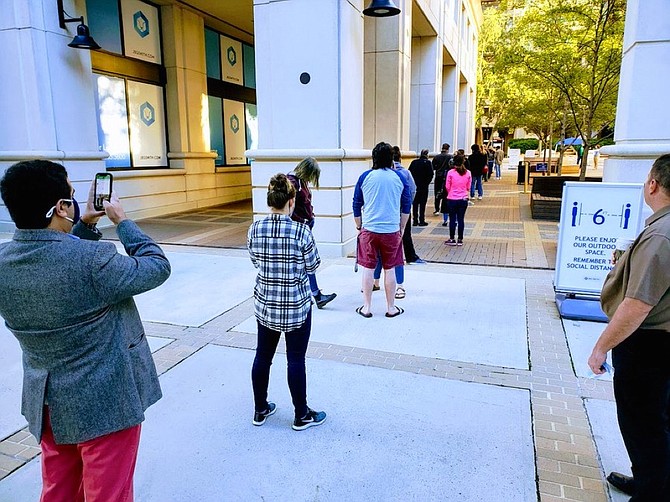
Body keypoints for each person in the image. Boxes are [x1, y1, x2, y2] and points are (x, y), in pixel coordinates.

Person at [0, 160, 171, 502]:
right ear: (62, 208)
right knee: (108, 495)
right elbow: (156, 266)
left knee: (58, 491)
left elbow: (53, 262)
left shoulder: (4, 262)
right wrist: (122, 221)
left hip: (47, 403)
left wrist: (84, 224)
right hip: (105, 404)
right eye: (72, 197)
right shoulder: (94, 260)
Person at [587, 154, 670, 500]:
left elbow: (637, 305)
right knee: (657, 422)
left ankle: (651, 492)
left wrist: (601, 346)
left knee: (643, 426)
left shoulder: (661, 237)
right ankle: (651, 481)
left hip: (648, 347)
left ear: (652, 184)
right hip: (659, 346)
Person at [247, 173, 326, 431]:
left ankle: (260, 409)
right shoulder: (301, 231)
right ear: (291, 201)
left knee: (263, 357)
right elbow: (313, 265)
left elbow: (256, 262)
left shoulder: (255, 228)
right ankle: (300, 415)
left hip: (266, 304)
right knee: (295, 360)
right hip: (296, 305)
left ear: (270, 199)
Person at [352, 142, 412, 318]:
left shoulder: (365, 177)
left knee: (368, 268)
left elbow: (356, 204)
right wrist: (401, 228)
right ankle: (391, 308)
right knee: (390, 269)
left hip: (369, 229)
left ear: (374, 158)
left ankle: (367, 307)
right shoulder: (399, 178)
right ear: (391, 158)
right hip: (391, 230)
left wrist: (359, 225)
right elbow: (406, 205)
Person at [286, 157, 336, 309]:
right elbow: (287, 206)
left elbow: (305, 203)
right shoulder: (293, 183)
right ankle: (314, 295)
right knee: (304, 263)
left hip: (303, 227)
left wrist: (310, 217)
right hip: (298, 229)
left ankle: (314, 294)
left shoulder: (301, 182)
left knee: (304, 263)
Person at [393, 146, 426, 267]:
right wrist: (408, 203)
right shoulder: (405, 173)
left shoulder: (386, 173)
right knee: (405, 233)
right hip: (403, 208)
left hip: (391, 209)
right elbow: (413, 189)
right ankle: (410, 256)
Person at [444, 154, 472, 246]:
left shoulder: (450, 172)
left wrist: (451, 192)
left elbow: (447, 186)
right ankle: (460, 239)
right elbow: (468, 187)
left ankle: (452, 238)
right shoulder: (468, 173)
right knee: (461, 219)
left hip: (452, 198)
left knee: (452, 219)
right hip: (463, 198)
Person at [408, 149, 434, 226]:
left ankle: (415, 220)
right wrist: (427, 183)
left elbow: (410, 173)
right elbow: (431, 175)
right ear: (427, 155)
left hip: (415, 185)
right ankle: (421, 220)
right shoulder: (428, 163)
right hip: (424, 186)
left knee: (415, 203)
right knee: (422, 204)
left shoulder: (414, 162)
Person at [432, 143, 452, 215]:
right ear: (447, 149)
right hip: (447, 177)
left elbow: (433, 167)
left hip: (438, 176)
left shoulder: (436, 157)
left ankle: (437, 209)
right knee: (446, 194)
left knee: (437, 193)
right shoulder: (450, 157)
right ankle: (445, 209)